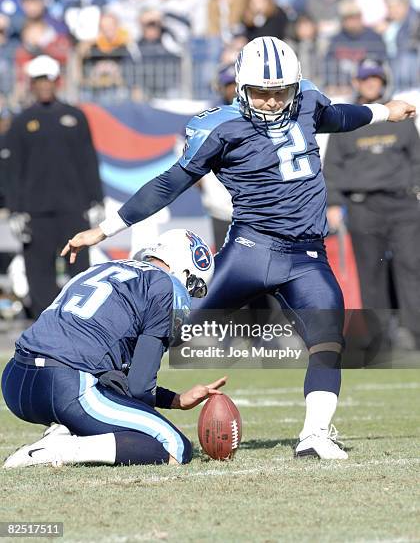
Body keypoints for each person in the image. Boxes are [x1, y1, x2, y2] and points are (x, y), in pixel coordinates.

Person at [62, 36, 415, 460]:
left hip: (307, 257)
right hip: (251, 250)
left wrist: (383, 112)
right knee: (166, 326)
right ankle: (75, 411)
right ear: (241, 88)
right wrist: (104, 230)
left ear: (294, 85)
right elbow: (168, 184)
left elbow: (337, 115)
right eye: (261, 92)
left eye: (279, 91)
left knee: (327, 340)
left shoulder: (305, 101)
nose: (270, 101)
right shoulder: (220, 126)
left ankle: (315, 435)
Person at [1, 229, 224, 468]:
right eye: (194, 288)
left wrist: (176, 400)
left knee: (108, 390)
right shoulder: (167, 287)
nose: (190, 295)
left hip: (16, 382)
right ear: (185, 272)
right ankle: (66, 449)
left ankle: (64, 431)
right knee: (176, 447)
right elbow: (139, 388)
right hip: (66, 384)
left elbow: (118, 380)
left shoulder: (104, 268)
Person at [324, 58, 420, 349]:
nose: (371, 82)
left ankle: (414, 333)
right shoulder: (349, 118)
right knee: (370, 273)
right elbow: (333, 167)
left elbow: (416, 158)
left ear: (383, 80)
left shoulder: (401, 115)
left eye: (375, 78)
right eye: (366, 78)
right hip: (363, 205)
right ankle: (378, 339)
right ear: (356, 82)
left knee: (412, 267)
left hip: (403, 203)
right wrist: (334, 203)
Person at [5, 54, 104, 319]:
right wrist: (14, 209)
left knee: (79, 268)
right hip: (35, 212)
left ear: (56, 81)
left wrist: (97, 200)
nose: (44, 86)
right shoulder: (22, 122)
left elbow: (88, 160)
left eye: (48, 80)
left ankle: (81, 320)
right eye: (39, 80)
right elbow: (13, 169)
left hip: (73, 208)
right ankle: (44, 323)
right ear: (32, 84)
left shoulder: (75, 116)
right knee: (39, 272)